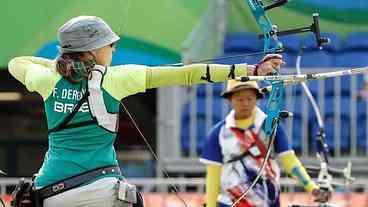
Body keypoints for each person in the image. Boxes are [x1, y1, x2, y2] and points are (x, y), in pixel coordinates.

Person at [8, 16, 284, 207]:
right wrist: (249, 71)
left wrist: (57, 66)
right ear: (90, 51)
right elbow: (189, 74)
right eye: (108, 43)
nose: (113, 47)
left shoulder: (47, 80)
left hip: (52, 193)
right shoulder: (116, 79)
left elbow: (16, 63)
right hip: (104, 191)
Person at [200, 80, 331, 207]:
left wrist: (311, 187)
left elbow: (289, 161)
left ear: (257, 99)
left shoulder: (270, 126)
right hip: (230, 201)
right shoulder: (218, 133)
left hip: (267, 200)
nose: (245, 103)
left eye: (250, 98)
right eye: (239, 99)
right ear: (230, 100)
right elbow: (213, 175)